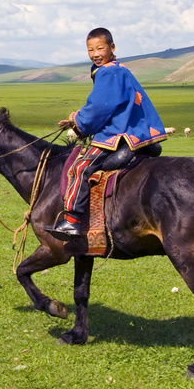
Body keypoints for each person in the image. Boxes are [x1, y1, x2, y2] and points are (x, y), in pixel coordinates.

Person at [47, 27, 167, 247]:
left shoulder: (107, 72)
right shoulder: (118, 69)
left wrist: (79, 120)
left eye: (100, 48)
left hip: (119, 134)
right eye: (90, 49)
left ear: (112, 48)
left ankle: (72, 220)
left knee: (80, 167)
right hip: (137, 131)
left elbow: (100, 108)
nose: (95, 53)